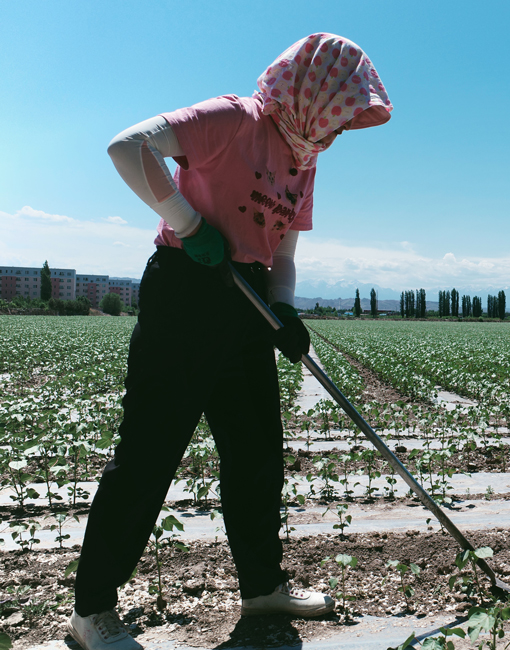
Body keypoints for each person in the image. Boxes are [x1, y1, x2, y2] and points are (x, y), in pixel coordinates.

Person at [68, 33, 392, 650]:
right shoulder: (232, 119)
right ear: (315, 93)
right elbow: (127, 146)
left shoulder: (306, 157)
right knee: (150, 452)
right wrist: (188, 225)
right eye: (343, 117)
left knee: (256, 454)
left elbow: (286, 252)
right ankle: (92, 610)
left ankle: (263, 586)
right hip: (187, 289)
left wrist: (284, 311)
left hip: (246, 297)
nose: (342, 132)